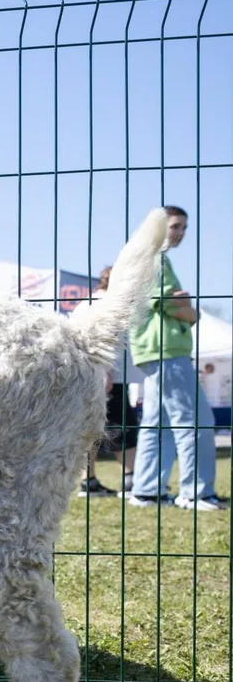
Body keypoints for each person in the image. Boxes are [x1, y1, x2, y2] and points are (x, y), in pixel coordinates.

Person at [125, 205, 226, 511]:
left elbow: (174, 302)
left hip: (154, 351)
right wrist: (190, 309)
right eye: (174, 226)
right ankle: (196, 492)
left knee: (159, 425)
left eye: (184, 227)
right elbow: (174, 303)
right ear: (158, 227)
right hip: (167, 350)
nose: (180, 233)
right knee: (197, 422)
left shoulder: (143, 256)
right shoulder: (155, 258)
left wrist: (183, 304)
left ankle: (147, 490)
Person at [73, 266, 138, 496]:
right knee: (123, 426)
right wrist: (106, 371)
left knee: (90, 428)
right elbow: (104, 338)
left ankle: (88, 482)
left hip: (89, 375)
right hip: (109, 375)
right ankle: (129, 480)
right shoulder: (106, 303)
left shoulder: (88, 302)